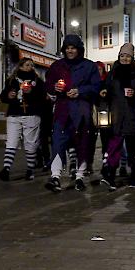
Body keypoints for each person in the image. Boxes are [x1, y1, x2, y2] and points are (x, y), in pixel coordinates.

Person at [44, 35, 101, 192]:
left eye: (73, 48)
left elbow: (96, 86)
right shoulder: (57, 66)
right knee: (57, 142)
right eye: (67, 47)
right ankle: (55, 176)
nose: (70, 50)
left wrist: (80, 91)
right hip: (62, 110)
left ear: (79, 49)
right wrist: (54, 87)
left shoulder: (89, 66)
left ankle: (80, 176)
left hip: (81, 110)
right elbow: (48, 83)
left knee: (81, 144)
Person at [99, 43, 135, 191]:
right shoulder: (113, 72)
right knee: (114, 147)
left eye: (127, 56)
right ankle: (111, 178)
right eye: (122, 55)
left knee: (132, 150)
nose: (125, 58)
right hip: (116, 117)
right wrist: (103, 92)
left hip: (132, 116)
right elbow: (106, 88)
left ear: (132, 57)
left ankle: (133, 176)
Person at [0, 58, 45, 181]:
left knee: (30, 143)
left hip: (31, 115)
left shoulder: (37, 81)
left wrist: (31, 92)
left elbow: (42, 97)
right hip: (14, 114)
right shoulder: (12, 80)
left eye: (32, 65)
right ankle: (6, 169)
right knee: (11, 141)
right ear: (21, 67)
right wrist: (8, 96)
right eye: (27, 65)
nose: (30, 67)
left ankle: (30, 169)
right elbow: (3, 96)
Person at [87, 62, 112, 173]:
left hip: (104, 112)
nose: (98, 71)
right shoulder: (89, 82)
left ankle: (105, 162)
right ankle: (89, 163)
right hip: (93, 112)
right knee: (91, 139)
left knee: (105, 139)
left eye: (100, 69)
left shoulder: (107, 82)